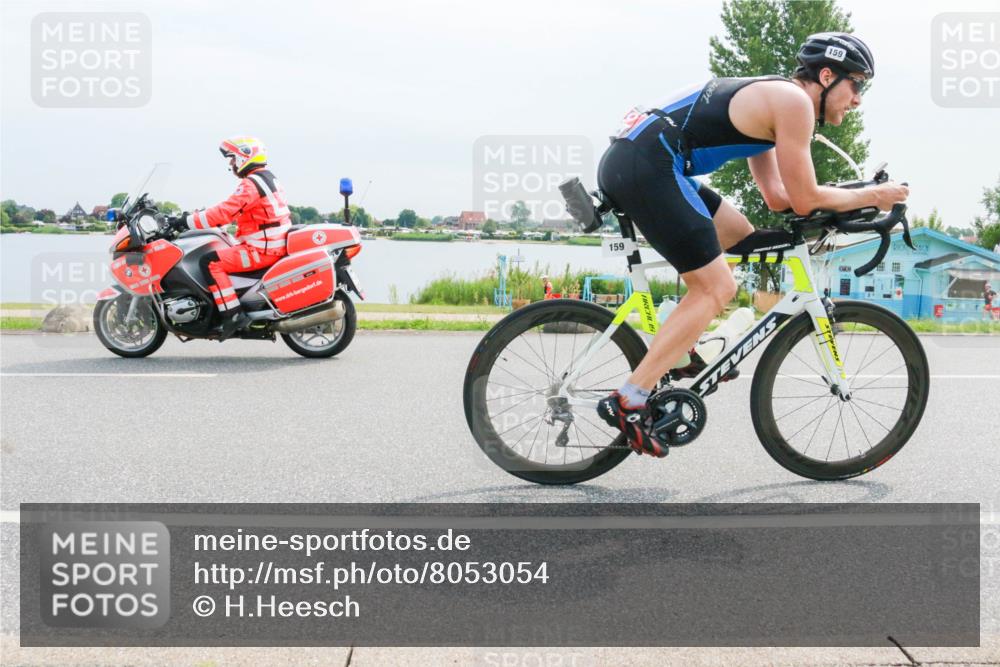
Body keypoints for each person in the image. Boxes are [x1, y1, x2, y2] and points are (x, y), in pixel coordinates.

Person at [595, 33, 909, 456]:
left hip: (639, 158)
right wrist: (872, 196)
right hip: (650, 163)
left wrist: (840, 197)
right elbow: (805, 198)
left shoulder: (773, 101)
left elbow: (780, 198)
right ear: (828, 75)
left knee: (740, 236)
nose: (857, 100)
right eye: (857, 85)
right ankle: (630, 400)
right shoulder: (795, 105)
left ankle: (683, 345)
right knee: (716, 287)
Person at [170, 136, 292, 339]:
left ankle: (233, 314)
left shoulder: (251, 183)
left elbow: (224, 212)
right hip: (272, 243)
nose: (231, 163)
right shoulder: (267, 178)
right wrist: (200, 214)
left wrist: (186, 222)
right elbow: (235, 211)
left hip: (262, 249)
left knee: (210, 262)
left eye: (233, 158)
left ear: (245, 156)